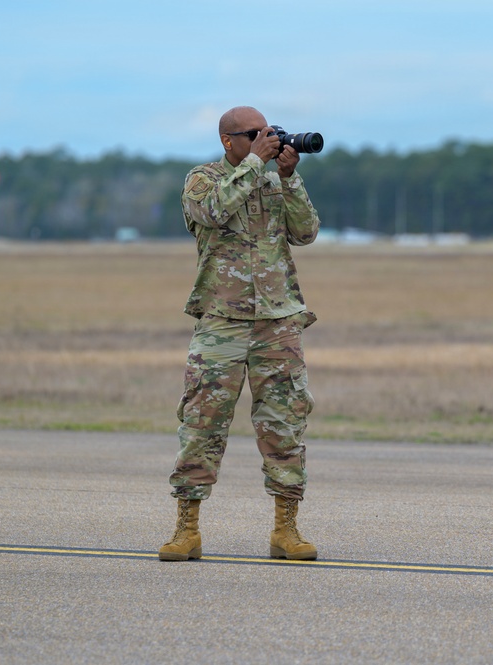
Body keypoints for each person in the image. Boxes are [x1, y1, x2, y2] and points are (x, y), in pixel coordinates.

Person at [159, 106, 321, 562]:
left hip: (277, 322)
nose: (265, 140)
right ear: (227, 141)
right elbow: (212, 212)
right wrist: (254, 164)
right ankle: (187, 530)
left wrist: (288, 177)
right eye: (254, 134)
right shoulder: (203, 179)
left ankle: (286, 531)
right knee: (202, 424)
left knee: (284, 424)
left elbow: (306, 232)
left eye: (267, 132)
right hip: (221, 321)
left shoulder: (271, 181)